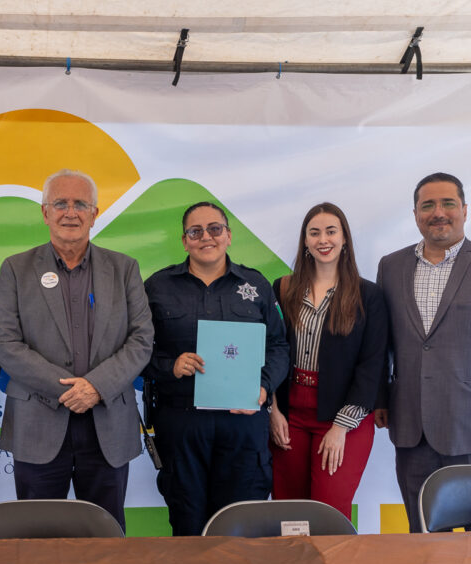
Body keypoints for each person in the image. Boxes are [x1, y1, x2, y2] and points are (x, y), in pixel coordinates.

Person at [0, 169, 153, 531]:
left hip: (107, 423)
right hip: (39, 422)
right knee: (36, 535)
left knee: (105, 535)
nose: (70, 212)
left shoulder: (124, 268)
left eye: (81, 204)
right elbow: (5, 344)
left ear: (95, 214)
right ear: (45, 212)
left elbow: (141, 340)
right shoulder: (16, 269)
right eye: (60, 203)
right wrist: (70, 390)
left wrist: (95, 387)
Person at [144, 201, 288, 536]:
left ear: (228, 236)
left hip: (243, 422)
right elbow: (135, 350)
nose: (205, 237)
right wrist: (170, 365)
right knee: (188, 522)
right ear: (184, 241)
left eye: (214, 229)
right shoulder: (157, 287)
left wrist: (264, 386)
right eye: (195, 231)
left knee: (241, 525)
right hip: (182, 425)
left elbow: (278, 346)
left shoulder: (256, 286)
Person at [268, 203, 387, 521]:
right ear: (304, 241)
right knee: (289, 511)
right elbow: (267, 351)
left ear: (345, 238)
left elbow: (371, 366)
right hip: (289, 415)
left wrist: (339, 428)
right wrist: (273, 411)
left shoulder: (368, 295)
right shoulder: (282, 289)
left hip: (343, 417)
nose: (324, 239)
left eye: (331, 231)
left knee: (328, 512)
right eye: (314, 232)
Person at [376, 172, 471, 532]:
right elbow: (382, 343)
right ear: (415, 214)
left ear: (464, 209)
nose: (438, 212)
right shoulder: (391, 266)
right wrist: (381, 397)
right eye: (427, 205)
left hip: (466, 421)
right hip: (410, 422)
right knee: (423, 534)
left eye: (448, 203)